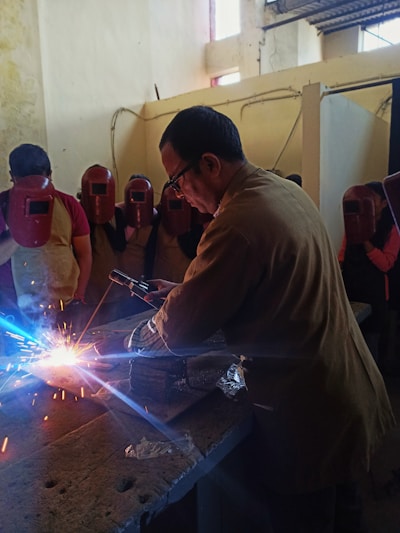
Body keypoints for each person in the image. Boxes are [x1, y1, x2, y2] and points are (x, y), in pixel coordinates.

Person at [110, 106, 396, 531]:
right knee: (344, 516)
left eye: (177, 180)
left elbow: (181, 330)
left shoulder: (237, 220)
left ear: (210, 163)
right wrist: (186, 293)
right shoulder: (284, 190)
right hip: (345, 392)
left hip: (308, 414)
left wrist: (145, 334)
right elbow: (264, 284)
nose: (179, 194)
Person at [0, 144, 92, 330]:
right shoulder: (2, 206)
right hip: (15, 308)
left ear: (50, 175)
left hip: (65, 301)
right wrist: (21, 228)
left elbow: (84, 254)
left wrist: (79, 296)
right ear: (13, 177)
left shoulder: (69, 204)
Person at [338, 181, 400, 363]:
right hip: (351, 289)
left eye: (372, 199)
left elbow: (386, 264)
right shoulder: (352, 222)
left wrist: (365, 241)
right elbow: (342, 256)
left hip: (376, 294)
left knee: (370, 346)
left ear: (384, 203)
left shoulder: (393, 229)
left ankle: (372, 389)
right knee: (350, 344)